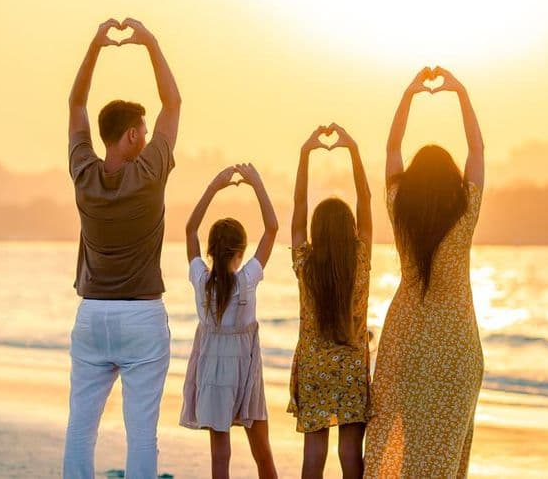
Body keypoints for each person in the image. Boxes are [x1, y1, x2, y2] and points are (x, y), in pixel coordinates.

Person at [63, 18, 181, 479]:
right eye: (144, 132)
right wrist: (150, 41)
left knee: (80, 428)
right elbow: (172, 101)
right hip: (141, 318)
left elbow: (75, 103)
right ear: (132, 135)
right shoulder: (149, 173)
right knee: (141, 435)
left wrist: (95, 45)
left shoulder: (84, 174)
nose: (149, 139)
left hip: (92, 316)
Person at [364, 66, 486, 478]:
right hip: (455, 342)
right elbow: (478, 152)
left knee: (402, 436)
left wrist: (411, 94)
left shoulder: (401, 206)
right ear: (452, 179)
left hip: (407, 337)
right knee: (445, 450)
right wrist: (460, 93)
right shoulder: (466, 208)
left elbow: (391, 149)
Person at [180, 164, 279, 479]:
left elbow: (189, 230)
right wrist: (258, 183)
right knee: (262, 453)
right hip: (246, 371)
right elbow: (273, 228)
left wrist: (214, 186)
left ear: (210, 250)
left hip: (212, 370)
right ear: (241, 251)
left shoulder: (200, 279)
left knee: (220, 456)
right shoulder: (247, 280)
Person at [288, 124, 372, 479]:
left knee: (314, 455)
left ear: (316, 231)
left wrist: (305, 154)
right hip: (352, 365)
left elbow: (298, 206)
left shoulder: (305, 263)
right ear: (350, 228)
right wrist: (353, 149)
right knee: (351, 452)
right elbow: (366, 200)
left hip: (313, 367)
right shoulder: (361, 259)